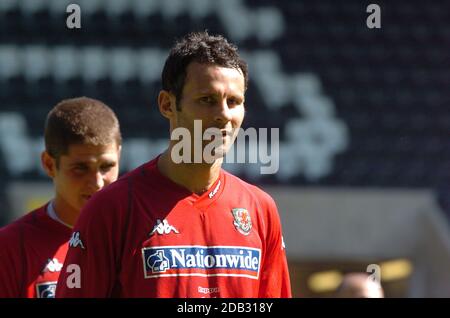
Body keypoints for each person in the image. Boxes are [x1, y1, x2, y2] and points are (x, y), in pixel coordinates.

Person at [56, 31, 291, 298]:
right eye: (207, 100)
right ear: (167, 104)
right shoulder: (111, 209)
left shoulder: (260, 209)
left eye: (234, 102)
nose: (224, 114)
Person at [0, 97, 122, 298]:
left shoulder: (137, 240)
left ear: (119, 155)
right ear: (49, 164)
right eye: (80, 168)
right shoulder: (10, 250)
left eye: (106, 167)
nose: (97, 182)